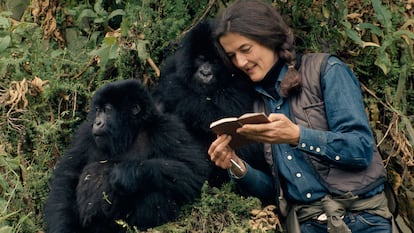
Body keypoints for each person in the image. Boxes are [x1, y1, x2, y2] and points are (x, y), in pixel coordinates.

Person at [207, 0, 394, 232]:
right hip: (306, 225)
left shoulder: (326, 70)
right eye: (232, 56)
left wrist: (297, 136)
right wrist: (236, 165)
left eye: (245, 49)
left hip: (362, 220)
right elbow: (276, 193)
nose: (241, 62)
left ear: (269, 38)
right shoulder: (257, 104)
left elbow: (361, 149)